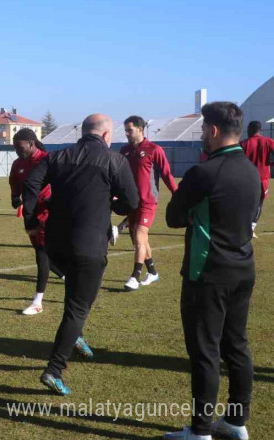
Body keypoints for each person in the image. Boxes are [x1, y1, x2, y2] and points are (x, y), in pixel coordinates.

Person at [163, 102, 259, 440]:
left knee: (205, 351)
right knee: (237, 346)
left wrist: (193, 216)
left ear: (213, 131)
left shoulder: (203, 172)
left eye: (204, 128)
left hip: (208, 274)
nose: (202, 134)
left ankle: (201, 430)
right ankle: (236, 420)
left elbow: (173, 217)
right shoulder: (250, 169)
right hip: (243, 269)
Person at [23, 114, 138, 395]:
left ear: (82, 132)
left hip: (55, 244)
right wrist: (111, 201)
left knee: (75, 296)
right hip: (88, 244)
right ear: (107, 135)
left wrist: (31, 221)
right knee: (77, 307)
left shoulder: (58, 156)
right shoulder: (115, 160)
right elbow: (131, 202)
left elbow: (31, 184)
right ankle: (54, 369)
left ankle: (75, 336)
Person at [111, 116, 179, 291]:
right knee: (139, 240)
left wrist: (178, 196)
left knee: (140, 236)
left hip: (148, 202)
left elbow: (167, 175)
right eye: (125, 130)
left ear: (141, 129)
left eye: (129, 130)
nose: (126, 133)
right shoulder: (124, 150)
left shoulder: (154, 149)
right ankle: (152, 272)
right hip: (130, 201)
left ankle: (135, 276)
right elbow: (118, 176)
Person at [9, 129, 65, 315]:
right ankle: (65, 274)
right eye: (15, 147)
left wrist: (55, 201)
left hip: (49, 213)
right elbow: (15, 186)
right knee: (44, 251)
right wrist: (15, 198)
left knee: (41, 253)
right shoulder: (18, 164)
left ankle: (38, 301)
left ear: (31, 144)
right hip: (30, 214)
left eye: (20, 147)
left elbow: (63, 183)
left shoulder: (48, 160)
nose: (17, 150)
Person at [240, 120, 274, 238]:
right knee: (259, 204)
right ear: (260, 130)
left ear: (250, 129)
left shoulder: (243, 143)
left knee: (244, 203)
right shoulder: (268, 141)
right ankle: (251, 227)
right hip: (262, 179)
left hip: (246, 179)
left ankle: (243, 226)